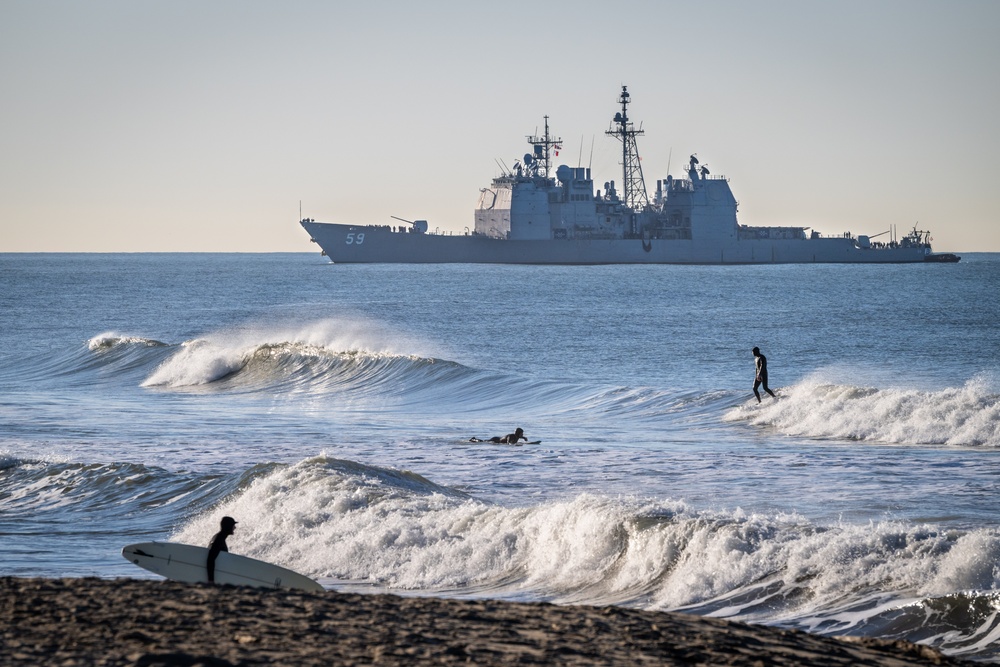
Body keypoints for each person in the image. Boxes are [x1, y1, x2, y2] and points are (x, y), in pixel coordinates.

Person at [207, 516, 237, 584]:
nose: (235, 528)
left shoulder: (219, 537)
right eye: (233, 525)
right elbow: (210, 560)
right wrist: (211, 580)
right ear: (228, 526)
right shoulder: (218, 540)